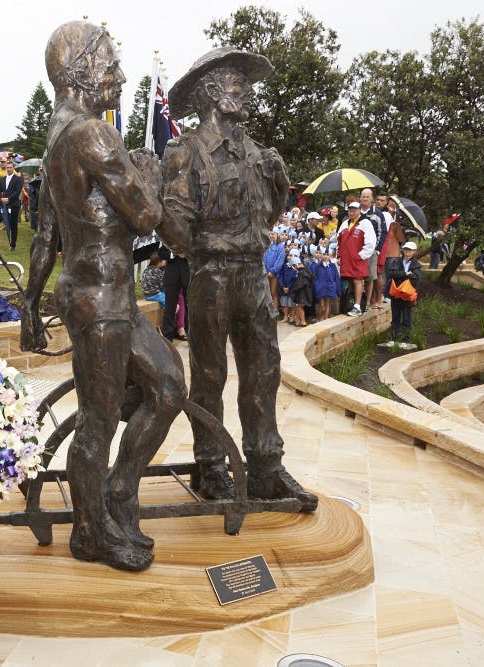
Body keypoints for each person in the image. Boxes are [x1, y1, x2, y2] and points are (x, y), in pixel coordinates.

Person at [19, 21, 186, 571]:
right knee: (97, 420)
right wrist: (152, 173)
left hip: (102, 295)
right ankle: (90, 532)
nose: (119, 74)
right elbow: (146, 216)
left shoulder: (55, 138)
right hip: (100, 300)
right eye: (110, 63)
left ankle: (117, 492)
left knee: (166, 386)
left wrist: (29, 304)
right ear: (79, 72)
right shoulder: (93, 134)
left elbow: (45, 238)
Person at [160, 47, 317, 510]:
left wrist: (281, 184)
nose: (246, 91)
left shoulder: (258, 153)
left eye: (246, 84)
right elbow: (177, 233)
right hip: (211, 274)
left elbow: (268, 213)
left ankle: (266, 465)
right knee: (209, 374)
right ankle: (211, 465)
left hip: (252, 273)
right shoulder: (184, 152)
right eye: (235, 82)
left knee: (264, 370)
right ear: (210, 92)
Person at [337, 202, 376, 315]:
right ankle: (349, 304)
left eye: (354, 210)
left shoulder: (365, 223)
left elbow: (370, 243)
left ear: (359, 210)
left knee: (357, 280)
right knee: (348, 281)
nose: (352, 212)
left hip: (357, 259)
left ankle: (358, 306)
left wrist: (361, 256)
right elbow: (338, 239)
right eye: (350, 210)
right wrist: (339, 255)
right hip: (346, 259)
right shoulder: (345, 223)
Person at [386, 240, 422, 349]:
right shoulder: (396, 261)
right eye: (406, 249)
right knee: (395, 317)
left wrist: (400, 276)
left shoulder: (416, 264)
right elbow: (391, 273)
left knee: (407, 319)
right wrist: (406, 274)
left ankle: (405, 340)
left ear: (414, 251)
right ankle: (393, 339)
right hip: (396, 293)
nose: (407, 251)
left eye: (410, 250)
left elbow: (416, 278)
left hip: (407, 295)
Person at [0, 160, 23, 250]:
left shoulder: (18, 179)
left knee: (13, 225)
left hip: (13, 205)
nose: (9, 169)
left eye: (10, 167)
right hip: (3, 205)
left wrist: (8, 199)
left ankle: (12, 245)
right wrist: (1, 198)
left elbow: (17, 192)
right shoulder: (2, 179)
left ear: (13, 168)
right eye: (7, 168)